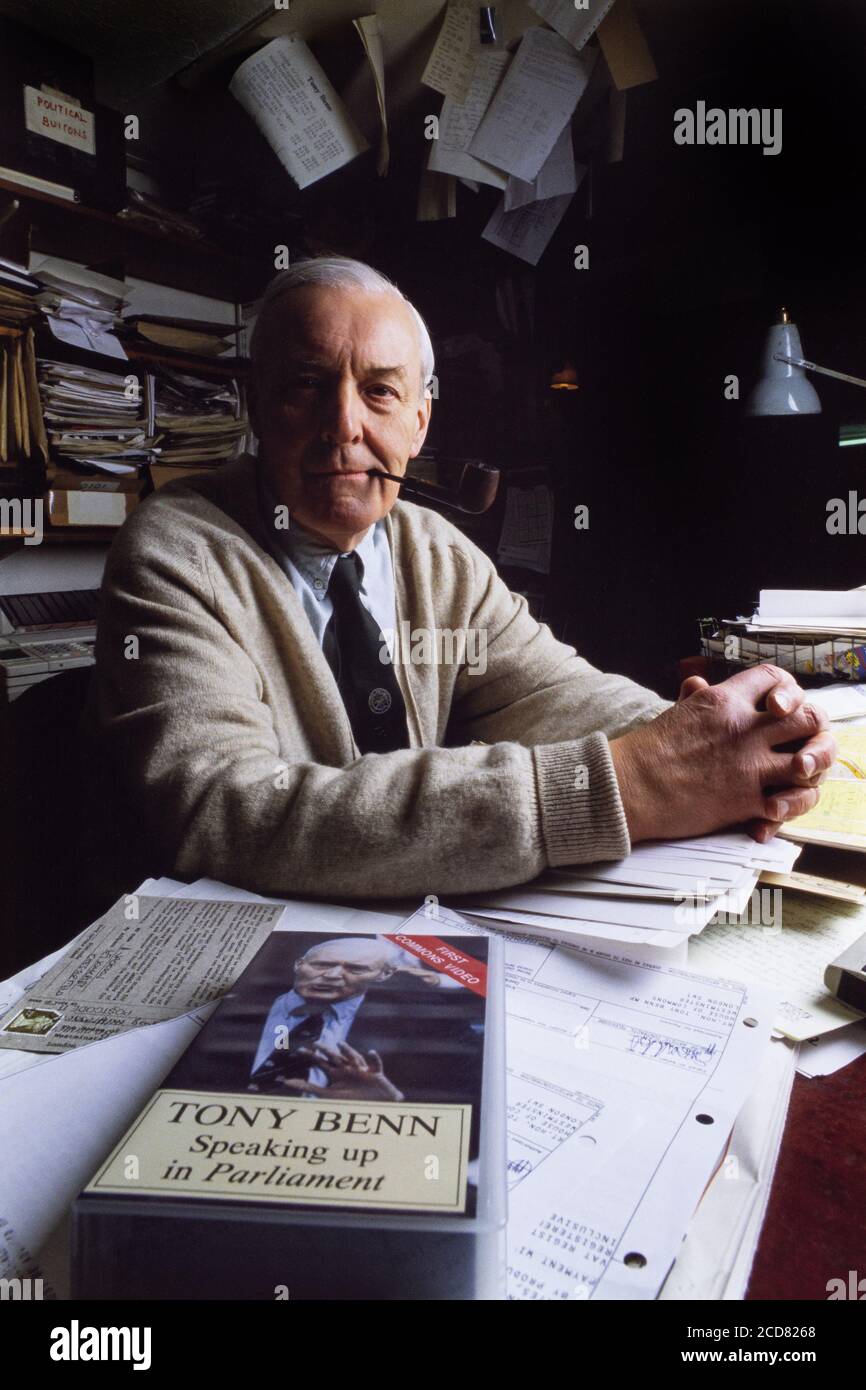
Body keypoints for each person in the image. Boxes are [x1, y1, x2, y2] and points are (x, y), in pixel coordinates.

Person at [85, 256, 835, 905]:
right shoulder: (174, 551)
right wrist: (620, 786)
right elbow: (226, 815)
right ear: (257, 405)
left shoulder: (436, 550)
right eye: (306, 386)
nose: (343, 425)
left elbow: (552, 693)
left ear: (419, 421)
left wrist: (722, 743)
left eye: (379, 392)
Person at [247, 936, 484, 1103]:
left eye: (356, 969)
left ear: (385, 974)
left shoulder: (429, 1027)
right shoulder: (246, 1000)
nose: (332, 976)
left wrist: (388, 1105)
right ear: (299, 964)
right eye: (321, 965)